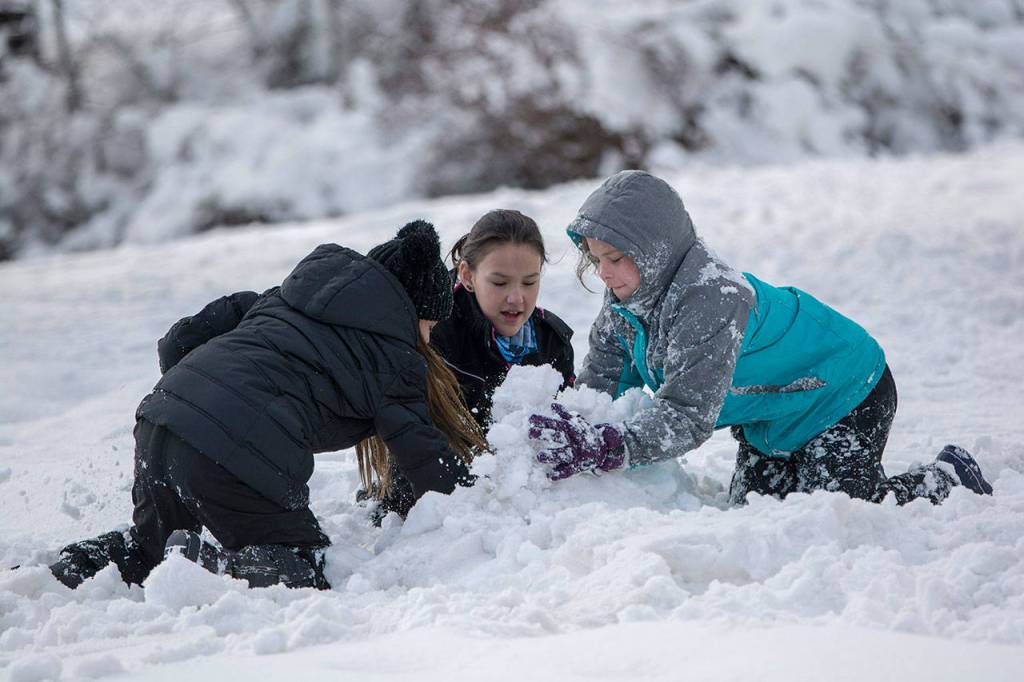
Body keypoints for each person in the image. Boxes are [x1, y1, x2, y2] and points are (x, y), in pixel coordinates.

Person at [48, 221, 487, 590]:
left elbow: (178, 340)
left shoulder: (280, 299)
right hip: (235, 450)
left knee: (150, 551)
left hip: (161, 419)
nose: (429, 339)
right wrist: (477, 497)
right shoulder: (395, 358)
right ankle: (216, 568)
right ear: (417, 314)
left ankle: (70, 571)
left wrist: (202, 398)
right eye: (430, 326)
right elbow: (424, 454)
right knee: (307, 566)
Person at [528, 170, 993, 505]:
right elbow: (606, 375)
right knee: (755, 514)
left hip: (842, 391)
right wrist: (575, 424)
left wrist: (605, 445)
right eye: (596, 259)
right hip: (770, 410)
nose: (604, 274)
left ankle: (947, 478)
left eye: (615, 257)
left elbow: (687, 415)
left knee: (842, 510)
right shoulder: (630, 292)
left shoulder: (711, 298)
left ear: (655, 250)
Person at [362, 209, 575, 518]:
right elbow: (405, 438)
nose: (517, 298)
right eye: (500, 283)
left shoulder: (552, 340)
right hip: (441, 503)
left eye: (529, 282)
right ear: (467, 276)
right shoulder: (433, 333)